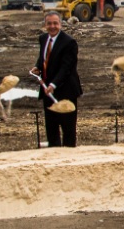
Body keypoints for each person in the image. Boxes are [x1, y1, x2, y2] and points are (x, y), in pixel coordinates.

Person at [30, 11, 83, 147]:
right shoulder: (43, 39)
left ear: (60, 24)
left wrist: (54, 84)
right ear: (45, 25)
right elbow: (44, 58)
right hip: (48, 91)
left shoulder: (69, 42)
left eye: (55, 23)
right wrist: (38, 67)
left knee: (68, 129)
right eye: (49, 23)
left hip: (66, 91)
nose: (52, 26)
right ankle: (54, 155)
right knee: (51, 128)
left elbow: (67, 67)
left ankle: (68, 158)